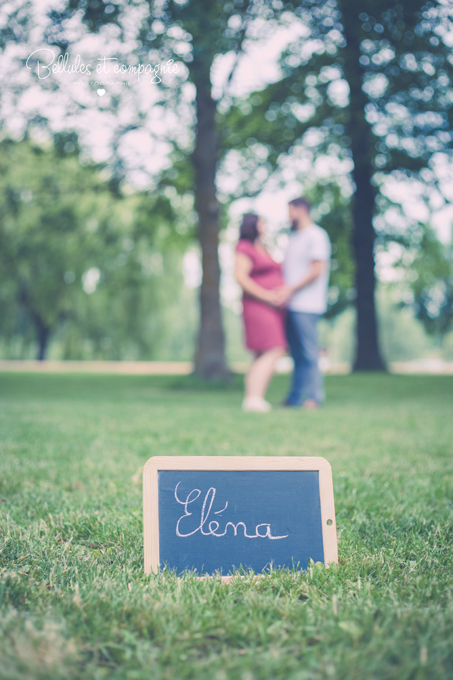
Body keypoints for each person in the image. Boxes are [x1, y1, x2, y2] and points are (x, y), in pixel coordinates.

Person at [280, 197, 331, 409]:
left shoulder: (316, 236)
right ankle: (295, 396)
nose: (288, 215)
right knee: (297, 354)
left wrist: (290, 289)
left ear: (301, 209)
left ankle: (314, 396)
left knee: (309, 352)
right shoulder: (294, 238)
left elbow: (316, 270)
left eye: (290, 210)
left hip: (307, 304)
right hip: (290, 304)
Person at [235, 213, 287, 413]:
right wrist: (266, 296)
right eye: (262, 223)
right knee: (274, 349)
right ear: (253, 225)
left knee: (262, 353)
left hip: (272, 308)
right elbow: (241, 277)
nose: (265, 226)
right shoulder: (244, 248)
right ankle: (253, 398)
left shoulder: (263, 248)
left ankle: (254, 397)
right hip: (258, 305)